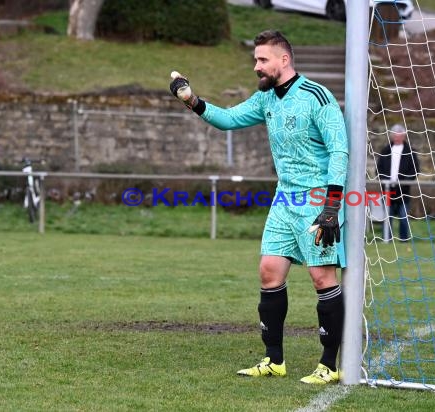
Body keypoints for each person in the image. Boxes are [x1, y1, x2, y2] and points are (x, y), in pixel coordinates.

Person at [170, 30, 349, 384]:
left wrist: (331, 206)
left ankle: (329, 365)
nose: (257, 66)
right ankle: (274, 360)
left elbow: (339, 149)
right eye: (256, 60)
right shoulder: (266, 99)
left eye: (263, 60)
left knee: (321, 277)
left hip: (317, 200)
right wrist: (190, 99)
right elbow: (228, 120)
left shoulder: (317, 96)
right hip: (284, 199)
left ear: (284, 60)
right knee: (269, 271)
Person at [376, 124, 419, 242]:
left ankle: (404, 240)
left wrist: (405, 181)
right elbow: (378, 169)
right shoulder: (385, 151)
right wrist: (384, 181)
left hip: (403, 191)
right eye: (394, 135)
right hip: (388, 190)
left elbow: (415, 171)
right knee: (387, 217)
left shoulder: (410, 152)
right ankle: (386, 239)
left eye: (399, 135)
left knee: (403, 217)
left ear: (404, 136)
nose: (397, 137)